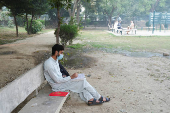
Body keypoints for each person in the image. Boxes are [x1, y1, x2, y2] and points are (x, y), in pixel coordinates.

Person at [44, 44, 110, 106]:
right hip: (58, 86)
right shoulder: (49, 64)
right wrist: (71, 77)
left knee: (80, 83)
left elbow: (58, 75)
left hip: (62, 82)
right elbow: (57, 80)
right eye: (61, 53)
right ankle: (99, 97)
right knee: (82, 82)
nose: (62, 54)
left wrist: (65, 77)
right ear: (56, 52)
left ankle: (90, 99)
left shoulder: (55, 61)